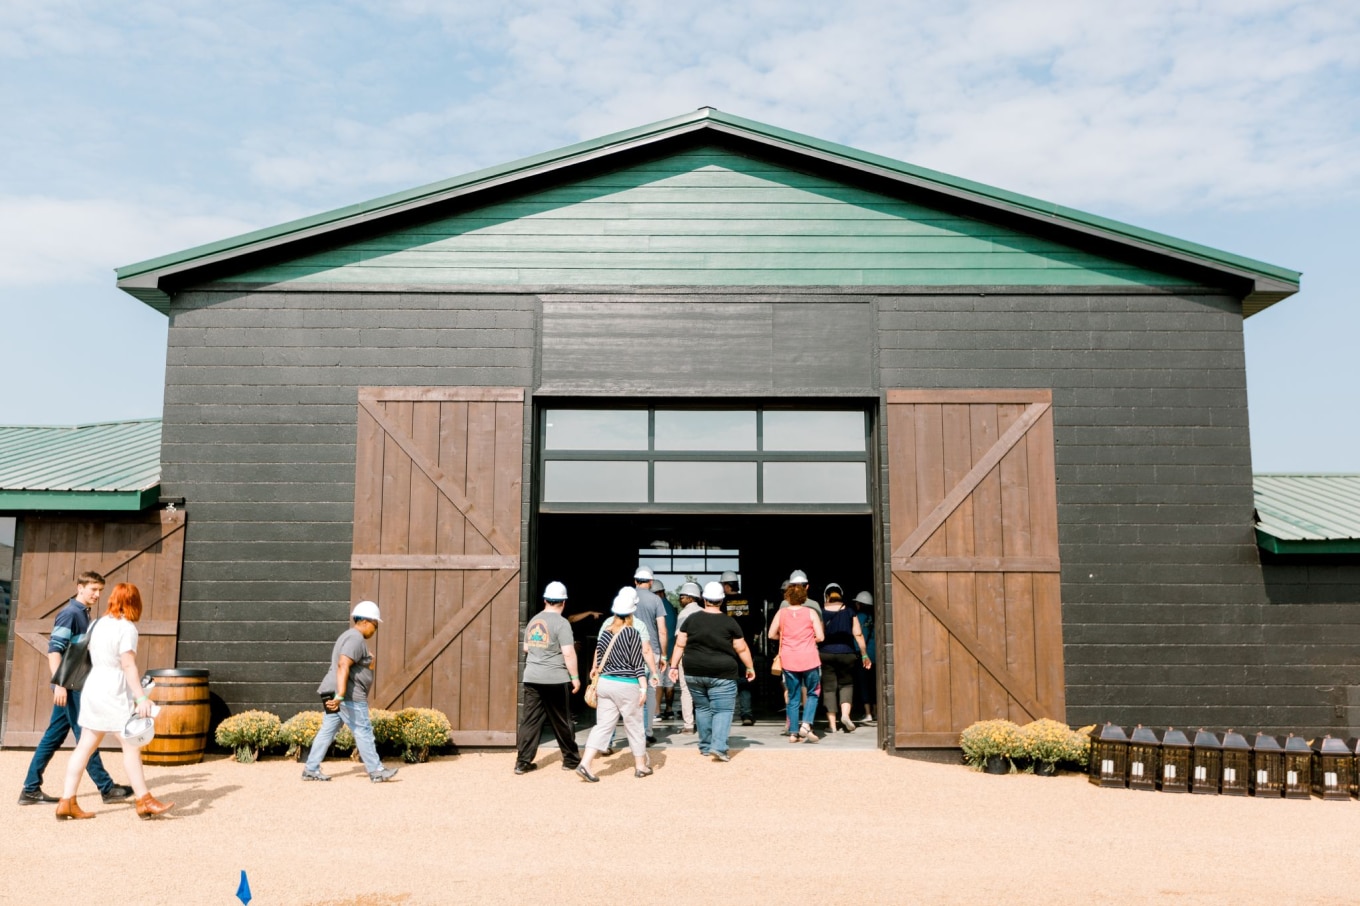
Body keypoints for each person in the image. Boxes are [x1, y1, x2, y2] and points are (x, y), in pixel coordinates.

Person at [54, 583, 172, 819]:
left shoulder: (97, 623)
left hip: (93, 686)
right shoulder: (127, 628)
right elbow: (128, 665)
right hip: (113, 690)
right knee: (130, 744)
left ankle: (67, 801)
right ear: (134, 603)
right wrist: (141, 697)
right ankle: (144, 800)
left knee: (85, 745)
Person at [19, 571, 133, 807]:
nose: (97, 594)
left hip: (75, 684)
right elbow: (54, 650)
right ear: (79, 587)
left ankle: (30, 790)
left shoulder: (85, 614)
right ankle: (107, 788)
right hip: (70, 686)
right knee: (86, 737)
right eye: (93, 589)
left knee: (52, 737)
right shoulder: (70, 614)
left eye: (100, 590)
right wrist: (59, 684)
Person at [302, 600, 399, 783]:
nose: (375, 629)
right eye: (375, 625)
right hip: (348, 697)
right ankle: (377, 770)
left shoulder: (348, 636)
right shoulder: (355, 638)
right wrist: (340, 695)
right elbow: (343, 665)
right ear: (365, 621)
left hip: (334, 693)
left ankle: (310, 769)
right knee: (363, 730)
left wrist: (369, 665)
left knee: (327, 731)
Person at [576, 588, 659, 782]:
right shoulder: (632, 633)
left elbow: (599, 653)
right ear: (631, 612)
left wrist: (594, 669)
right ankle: (640, 766)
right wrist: (644, 686)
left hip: (605, 683)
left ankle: (586, 763)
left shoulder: (606, 631)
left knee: (603, 726)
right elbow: (637, 663)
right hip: (627, 684)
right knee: (634, 725)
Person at [667, 581, 755, 762]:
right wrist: (749, 667)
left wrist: (674, 666)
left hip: (694, 672)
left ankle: (706, 746)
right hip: (722, 673)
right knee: (722, 710)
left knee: (702, 708)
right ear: (722, 600)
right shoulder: (729, 621)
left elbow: (680, 644)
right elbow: (741, 648)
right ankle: (719, 747)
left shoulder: (691, 619)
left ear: (704, 599)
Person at [514, 581, 582, 775]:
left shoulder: (534, 620)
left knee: (530, 721)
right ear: (564, 603)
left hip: (532, 677)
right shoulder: (562, 623)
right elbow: (568, 653)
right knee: (562, 721)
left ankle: (522, 762)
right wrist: (575, 677)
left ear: (545, 600)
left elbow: (526, 647)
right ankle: (570, 759)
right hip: (554, 678)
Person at [768, 569, 824, 743]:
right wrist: (806, 638)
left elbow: (771, 634)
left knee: (792, 696)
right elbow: (821, 637)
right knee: (814, 692)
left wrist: (786, 638)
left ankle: (793, 733)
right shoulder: (811, 612)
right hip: (809, 658)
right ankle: (806, 725)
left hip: (789, 659)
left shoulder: (781, 613)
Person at [818, 583, 871, 733]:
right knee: (846, 685)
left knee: (829, 689)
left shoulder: (821, 612)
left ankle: (832, 725)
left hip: (826, 653)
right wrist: (864, 654)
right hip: (847, 653)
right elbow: (858, 634)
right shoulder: (850, 611)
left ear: (826, 596)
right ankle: (846, 715)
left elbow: (820, 635)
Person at [632, 567, 668, 744]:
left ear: (635, 580)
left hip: (629, 650)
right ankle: (647, 732)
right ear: (651, 582)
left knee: (631, 690)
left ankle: (634, 731)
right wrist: (664, 655)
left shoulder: (628, 597)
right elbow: (662, 630)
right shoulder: (656, 600)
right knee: (651, 690)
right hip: (651, 650)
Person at [719, 570, 757, 727]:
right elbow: (759, 623)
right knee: (745, 682)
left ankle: (722, 715)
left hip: (726, 649)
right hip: (746, 649)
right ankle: (746, 715)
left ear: (727, 585)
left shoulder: (721, 603)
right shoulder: (749, 601)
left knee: (723, 683)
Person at [672, 582, 704, 734]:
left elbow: (680, 638)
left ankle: (689, 725)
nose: (680, 599)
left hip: (687, 654)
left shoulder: (684, 613)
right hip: (703, 655)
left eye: (682, 597)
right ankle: (704, 723)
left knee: (686, 690)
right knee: (703, 689)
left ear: (690, 598)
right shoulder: (704, 612)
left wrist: (674, 662)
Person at [852, 591, 877, 725]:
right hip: (877, 655)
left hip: (865, 655)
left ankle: (868, 713)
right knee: (874, 684)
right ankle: (877, 711)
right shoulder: (875, 616)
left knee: (864, 684)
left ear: (860, 604)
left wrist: (859, 653)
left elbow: (859, 635)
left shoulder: (860, 617)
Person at [658, 581, 679, 720]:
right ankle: (669, 709)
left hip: (660, 651)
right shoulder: (671, 608)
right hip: (672, 652)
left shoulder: (657, 607)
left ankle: (657, 710)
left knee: (658, 681)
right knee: (669, 683)